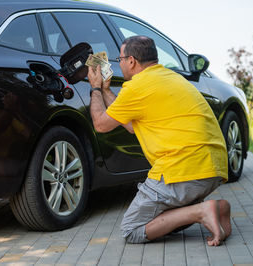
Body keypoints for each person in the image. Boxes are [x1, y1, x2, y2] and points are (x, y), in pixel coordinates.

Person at [87, 35, 231, 246]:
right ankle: (215, 209)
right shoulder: (170, 78)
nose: (119, 64)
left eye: (120, 59)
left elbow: (100, 124)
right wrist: (107, 90)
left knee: (131, 230)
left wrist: (96, 89)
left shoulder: (137, 88)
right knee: (161, 222)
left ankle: (202, 211)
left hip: (181, 171)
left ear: (132, 61)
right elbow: (129, 125)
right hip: (213, 169)